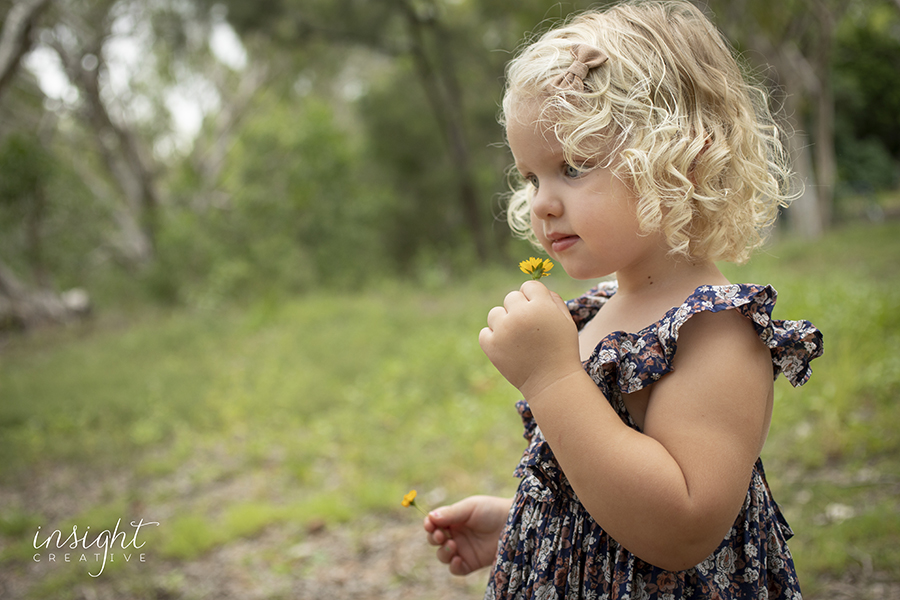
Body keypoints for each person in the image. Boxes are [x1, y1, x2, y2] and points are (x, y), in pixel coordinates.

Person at [423, 1, 824, 598]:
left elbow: (682, 529)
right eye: (532, 177)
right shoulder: (597, 308)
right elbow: (617, 491)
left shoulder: (715, 331)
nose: (541, 203)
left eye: (574, 167)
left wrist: (553, 379)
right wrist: (523, 522)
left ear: (680, 160)